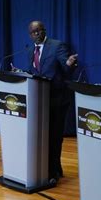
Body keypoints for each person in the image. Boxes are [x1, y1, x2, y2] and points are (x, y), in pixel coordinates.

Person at [23, 21, 77, 182]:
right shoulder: (30, 50)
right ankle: (54, 169)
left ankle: (52, 172)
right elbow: (34, 72)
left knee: (54, 137)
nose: (37, 33)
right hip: (39, 99)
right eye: (34, 32)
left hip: (57, 99)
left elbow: (66, 68)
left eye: (40, 30)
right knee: (43, 137)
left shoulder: (57, 45)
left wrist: (69, 63)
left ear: (44, 31)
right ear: (30, 35)